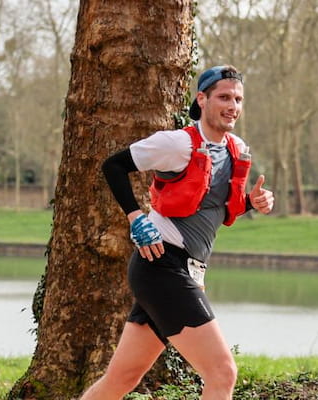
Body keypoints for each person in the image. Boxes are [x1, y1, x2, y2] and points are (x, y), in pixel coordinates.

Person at [84, 65, 273, 400]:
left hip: (183, 271)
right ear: (202, 99)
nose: (233, 106)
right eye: (224, 97)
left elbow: (217, 207)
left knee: (121, 379)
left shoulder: (236, 148)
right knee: (223, 372)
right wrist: (135, 218)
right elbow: (113, 166)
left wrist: (250, 203)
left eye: (238, 99)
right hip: (161, 266)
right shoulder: (177, 144)